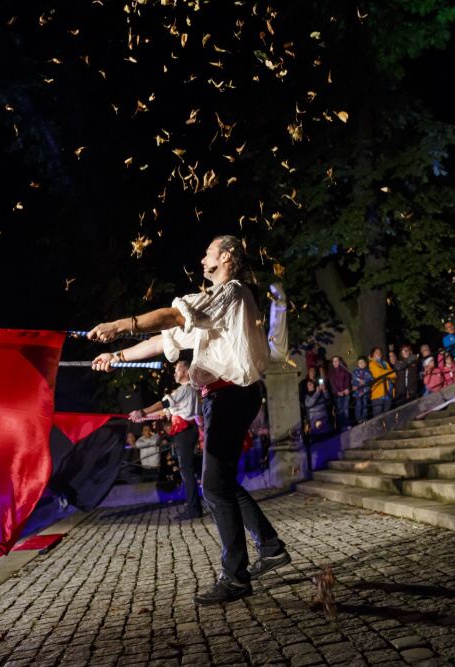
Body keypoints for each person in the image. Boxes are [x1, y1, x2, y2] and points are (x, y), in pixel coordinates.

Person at [88, 235, 288, 604]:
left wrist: (120, 324)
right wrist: (118, 356)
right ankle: (270, 546)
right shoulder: (215, 303)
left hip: (231, 395)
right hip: (222, 397)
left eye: (208, 251)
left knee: (213, 484)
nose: (201, 258)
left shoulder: (231, 293)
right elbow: (168, 336)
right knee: (220, 481)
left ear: (226, 257)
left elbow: (175, 315)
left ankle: (236, 577)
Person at [130, 359, 202, 519]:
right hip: (186, 432)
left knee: (187, 471)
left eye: (177, 370)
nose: (175, 373)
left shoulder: (185, 389)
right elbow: (165, 412)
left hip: (185, 433)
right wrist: (143, 417)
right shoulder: (188, 391)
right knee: (187, 470)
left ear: (185, 372)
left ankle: (194, 509)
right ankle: (194, 506)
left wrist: (142, 412)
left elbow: (164, 403)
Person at [327, 355, 352, 430]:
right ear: (332, 363)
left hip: (346, 392)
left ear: (340, 362)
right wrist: (337, 392)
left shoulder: (344, 369)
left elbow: (347, 379)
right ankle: (342, 426)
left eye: (337, 361)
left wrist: (347, 388)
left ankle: (347, 424)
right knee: (340, 410)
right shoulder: (331, 372)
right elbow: (332, 384)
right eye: (334, 361)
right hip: (337, 394)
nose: (335, 362)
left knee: (346, 409)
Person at [368, 347, 393, 415]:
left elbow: (394, 375)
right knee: (378, 416)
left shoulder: (385, 363)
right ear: (372, 354)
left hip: (389, 392)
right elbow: (379, 374)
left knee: (388, 414)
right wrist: (390, 373)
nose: (378, 353)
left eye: (380, 352)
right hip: (378, 394)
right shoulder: (372, 364)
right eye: (376, 352)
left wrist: (389, 373)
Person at [351, 357, 373, 423]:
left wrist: (365, 382)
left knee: (365, 405)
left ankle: (364, 417)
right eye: (359, 363)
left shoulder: (368, 372)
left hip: (365, 391)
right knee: (358, 405)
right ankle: (358, 418)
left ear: (365, 364)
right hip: (358, 392)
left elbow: (371, 380)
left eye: (363, 362)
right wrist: (358, 384)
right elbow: (353, 381)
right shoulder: (355, 372)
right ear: (357, 364)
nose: (361, 364)